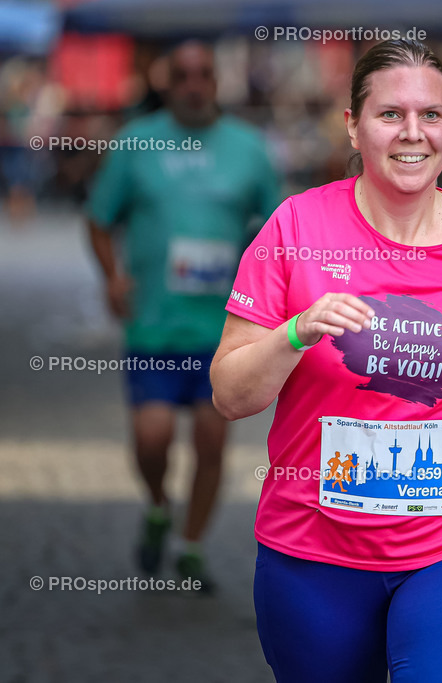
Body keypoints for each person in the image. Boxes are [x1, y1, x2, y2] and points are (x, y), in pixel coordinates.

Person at [210, 39, 442, 682]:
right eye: (390, 114)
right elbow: (230, 394)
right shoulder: (295, 229)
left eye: (432, 115)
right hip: (314, 551)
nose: (413, 133)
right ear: (353, 128)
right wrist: (296, 333)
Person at [86, 40, 280, 590]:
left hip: (224, 327)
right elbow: (98, 219)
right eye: (183, 76)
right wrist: (112, 278)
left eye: (204, 75)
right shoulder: (135, 142)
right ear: (167, 84)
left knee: (212, 444)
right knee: (152, 436)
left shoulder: (248, 148)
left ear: (216, 83)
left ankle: (191, 546)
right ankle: (156, 505)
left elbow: (278, 230)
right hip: (154, 320)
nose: (194, 85)